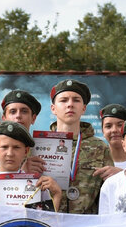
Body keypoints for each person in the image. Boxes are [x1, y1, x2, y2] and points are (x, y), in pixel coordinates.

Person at [48, 79, 113, 215]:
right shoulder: (41, 144)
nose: (70, 104)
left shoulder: (100, 148)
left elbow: (108, 193)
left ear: (83, 108)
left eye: (76, 100)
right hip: (49, 225)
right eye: (64, 100)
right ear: (53, 109)